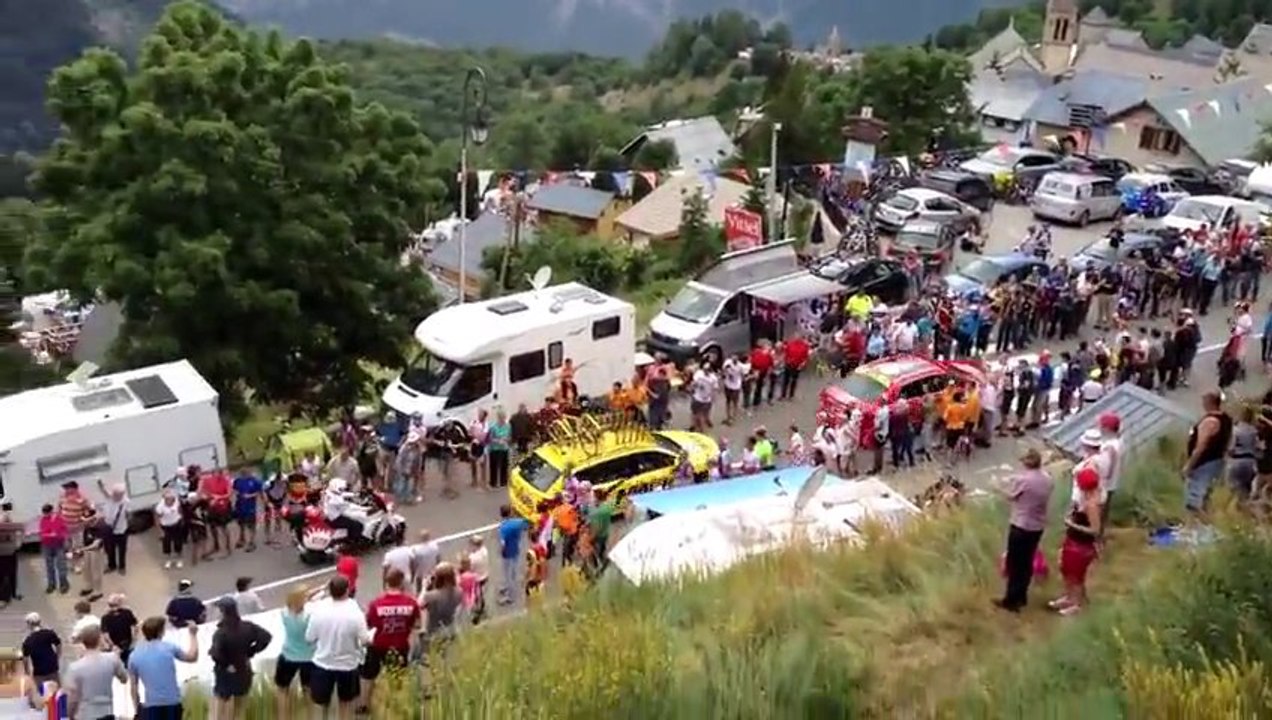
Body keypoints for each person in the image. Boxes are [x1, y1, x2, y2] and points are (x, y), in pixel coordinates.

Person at [995, 449, 1053, 613]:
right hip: (1037, 526)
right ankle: (1022, 596)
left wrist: (997, 488)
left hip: (1021, 524)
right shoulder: (1047, 479)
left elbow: (1011, 496)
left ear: (1026, 463)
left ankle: (1011, 599)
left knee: (1014, 562)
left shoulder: (1024, 480)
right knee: (1027, 562)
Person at [307, 576, 372, 720]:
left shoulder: (319, 610)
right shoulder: (355, 613)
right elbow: (364, 640)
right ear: (347, 591)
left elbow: (309, 638)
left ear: (330, 591)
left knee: (320, 704)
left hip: (323, 663)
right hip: (348, 665)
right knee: (346, 703)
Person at [363, 568, 420, 709]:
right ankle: (396, 703)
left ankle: (365, 704)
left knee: (370, 675)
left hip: (379, 644)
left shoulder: (376, 604)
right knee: (397, 677)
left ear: (386, 582)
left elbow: (369, 624)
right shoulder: (411, 603)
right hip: (400, 645)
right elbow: (417, 624)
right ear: (402, 583)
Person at [209, 596, 273, 720]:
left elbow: (216, 654)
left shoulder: (221, 633)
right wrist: (252, 651)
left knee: (220, 705)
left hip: (225, 674)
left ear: (223, 611)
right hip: (243, 668)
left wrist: (227, 665)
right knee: (240, 706)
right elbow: (266, 637)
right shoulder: (247, 627)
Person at [1053, 466, 1102, 616]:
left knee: (1076, 575)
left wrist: (1072, 524)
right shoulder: (1085, 499)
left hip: (1082, 545)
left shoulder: (1092, 505)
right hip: (1073, 541)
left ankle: (1077, 603)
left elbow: (1095, 530)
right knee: (1066, 570)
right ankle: (1069, 597)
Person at [129, 615, 199, 720]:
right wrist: (193, 635)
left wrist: (137, 710)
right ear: (160, 631)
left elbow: (134, 687)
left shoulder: (134, 655)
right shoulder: (169, 647)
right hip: (172, 702)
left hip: (151, 705)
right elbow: (192, 657)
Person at [1183, 391, 1233, 514]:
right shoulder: (1226, 420)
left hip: (1204, 463)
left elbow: (1201, 445)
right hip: (1218, 461)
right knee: (1207, 495)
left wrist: (1189, 465)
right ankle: (1206, 522)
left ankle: (1195, 524)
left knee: (1195, 496)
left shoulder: (1210, 421)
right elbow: (1230, 442)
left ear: (1209, 402)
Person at [65, 625, 126, 720]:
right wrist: (117, 656)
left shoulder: (75, 667)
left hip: (85, 714)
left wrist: (70, 715)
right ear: (100, 639)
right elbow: (124, 679)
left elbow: (73, 697)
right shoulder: (112, 659)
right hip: (107, 712)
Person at [274, 586, 316, 720]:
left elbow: (295, 602)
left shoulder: (285, 614)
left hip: (288, 655)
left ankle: (283, 716)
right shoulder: (309, 617)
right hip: (308, 657)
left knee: (282, 689)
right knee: (308, 691)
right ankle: (310, 716)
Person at [418, 563, 463, 662]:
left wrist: (424, 587)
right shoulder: (459, 592)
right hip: (450, 627)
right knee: (448, 655)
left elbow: (419, 603)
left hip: (434, 630)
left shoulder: (431, 596)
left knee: (434, 657)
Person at [96, 480, 131, 576]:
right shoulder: (110, 497)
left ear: (122, 494)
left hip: (121, 529)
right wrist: (100, 484)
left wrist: (125, 522)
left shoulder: (126, 502)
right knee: (109, 549)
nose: (115, 496)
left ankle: (122, 567)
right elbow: (104, 491)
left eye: (117, 494)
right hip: (109, 528)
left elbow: (128, 514)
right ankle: (112, 565)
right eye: (114, 493)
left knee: (122, 549)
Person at [496, 505, 529, 605]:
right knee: (513, 572)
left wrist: (501, 551)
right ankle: (507, 587)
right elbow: (526, 525)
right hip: (515, 549)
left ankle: (510, 596)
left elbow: (502, 543)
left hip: (507, 553)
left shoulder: (503, 528)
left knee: (508, 574)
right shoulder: (517, 522)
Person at [1228, 405, 1261, 502]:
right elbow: (1258, 447)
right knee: (1247, 489)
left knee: (1234, 487)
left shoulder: (1235, 430)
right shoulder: (1254, 431)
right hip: (1251, 462)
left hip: (1237, 460)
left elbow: (1231, 448)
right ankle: (1245, 507)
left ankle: (1239, 507)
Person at [20, 613, 61, 687]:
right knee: (57, 690)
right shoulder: (49, 633)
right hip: (52, 666)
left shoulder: (28, 640)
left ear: (29, 624)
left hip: (39, 670)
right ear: (40, 621)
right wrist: (57, 656)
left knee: (41, 693)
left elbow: (25, 659)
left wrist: (27, 672)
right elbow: (58, 644)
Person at [38, 503, 70, 595]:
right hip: (47, 545)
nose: (45, 515)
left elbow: (64, 532)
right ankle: (51, 584)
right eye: (44, 513)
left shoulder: (59, 519)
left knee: (61, 566)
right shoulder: (43, 520)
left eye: (47, 513)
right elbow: (42, 532)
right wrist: (51, 534)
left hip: (58, 545)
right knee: (49, 566)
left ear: (51, 512)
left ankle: (64, 584)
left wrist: (58, 536)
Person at [77, 506, 107, 602]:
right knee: (86, 569)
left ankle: (98, 591)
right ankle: (88, 586)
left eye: (86, 520)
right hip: (87, 550)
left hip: (96, 551)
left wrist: (82, 549)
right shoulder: (87, 526)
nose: (84, 522)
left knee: (96, 571)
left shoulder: (100, 527)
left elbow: (96, 544)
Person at [100, 594, 138, 666]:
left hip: (115, 646)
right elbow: (135, 626)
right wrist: (134, 639)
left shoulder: (105, 617)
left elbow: (105, 634)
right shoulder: (127, 613)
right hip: (127, 643)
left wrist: (112, 645)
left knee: (115, 666)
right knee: (129, 664)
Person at [232, 467, 263, 551]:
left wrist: (250, 495)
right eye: (242, 472)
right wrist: (236, 496)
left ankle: (252, 542)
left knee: (251, 525)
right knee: (241, 524)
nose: (244, 473)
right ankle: (242, 539)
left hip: (250, 506)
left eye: (246, 472)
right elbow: (234, 491)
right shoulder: (237, 481)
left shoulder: (255, 481)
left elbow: (259, 492)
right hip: (239, 505)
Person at [153, 491, 185, 570]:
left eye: (172, 499)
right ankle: (168, 560)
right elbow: (157, 519)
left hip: (176, 524)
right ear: (165, 499)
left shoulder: (176, 502)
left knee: (178, 542)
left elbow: (180, 510)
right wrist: (160, 530)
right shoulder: (160, 507)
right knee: (166, 543)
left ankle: (179, 560)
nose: (171, 501)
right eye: (169, 499)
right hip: (166, 526)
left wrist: (181, 518)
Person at [0, 502, 21, 608]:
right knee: (3, 575)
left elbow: (17, 533)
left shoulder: (10, 520)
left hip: (11, 551)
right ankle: (3, 598)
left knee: (12, 573)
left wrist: (17, 545)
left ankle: (13, 593)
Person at [487, 410, 512, 490]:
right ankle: (493, 483)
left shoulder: (508, 426)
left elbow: (510, 436)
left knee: (504, 465)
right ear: (498, 418)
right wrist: (498, 441)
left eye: (504, 418)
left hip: (504, 448)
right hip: (495, 449)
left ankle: (503, 482)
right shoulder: (493, 427)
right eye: (501, 418)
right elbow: (490, 438)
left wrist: (506, 439)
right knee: (494, 466)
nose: (503, 420)